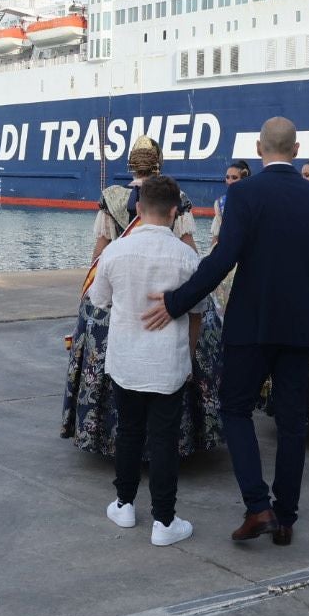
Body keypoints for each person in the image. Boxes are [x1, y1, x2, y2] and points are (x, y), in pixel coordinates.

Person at [147, 117, 309, 547]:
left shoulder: (244, 194)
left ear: (259, 147)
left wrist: (177, 302)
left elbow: (222, 260)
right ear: (296, 148)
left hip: (251, 325)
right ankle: (285, 517)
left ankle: (258, 506)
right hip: (300, 329)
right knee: (292, 424)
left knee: (235, 410)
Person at [62, 136, 221, 459]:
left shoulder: (112, 198)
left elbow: (99, 253)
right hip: (170, 299)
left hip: (122, 294)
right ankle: (179, 441)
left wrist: (87, 301)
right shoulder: (176, 197)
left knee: (113, 364)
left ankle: (110, 441)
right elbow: (189, 248)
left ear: (130, 163)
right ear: (159, 162)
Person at [89, 175, 202, 546]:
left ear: (137, 208)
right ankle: (164, 522)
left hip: (125, 360)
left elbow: (99, 299)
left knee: (129, 431)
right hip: (167, 362)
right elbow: (198, 311)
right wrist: (190, 354)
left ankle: (123, 503)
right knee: (164, 439)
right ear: (174, 212)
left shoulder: (115, 252)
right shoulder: (187, 257)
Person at [209, 160, 250, 316]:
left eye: (235, 177)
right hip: (228, 260)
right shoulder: (219, 203)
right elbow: (216, 236)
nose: (230, 181)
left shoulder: (254, 200)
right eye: (228, 177)